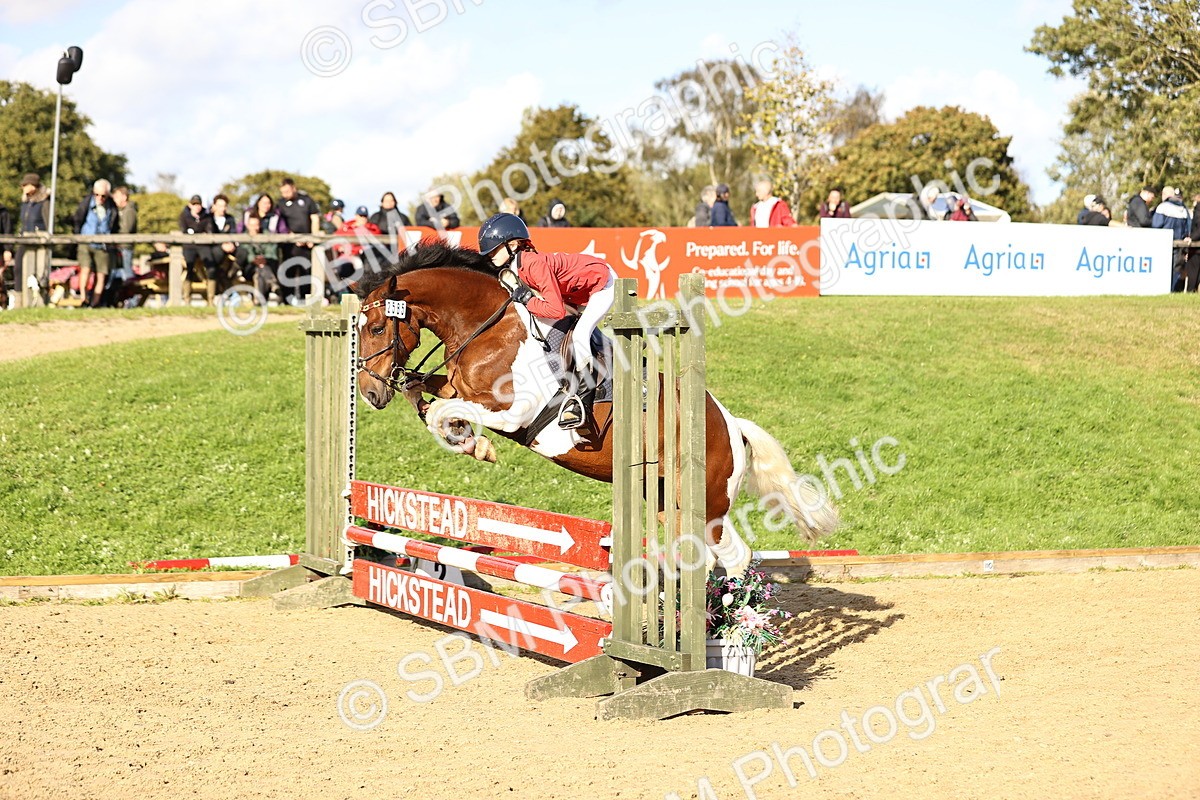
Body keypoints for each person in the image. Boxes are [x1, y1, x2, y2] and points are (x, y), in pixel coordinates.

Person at [477, 212, 616, 429]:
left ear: (512, 245)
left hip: (602, 283)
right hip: (577, 291)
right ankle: (612, 351)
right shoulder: (519, 266)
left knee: (580, 334)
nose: (489, 255)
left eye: (494, 249)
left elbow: (554, 310)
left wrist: (528, 300)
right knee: (577, 330)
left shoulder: (532, 264)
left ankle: (581, 399)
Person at [73, 179, 120, 308]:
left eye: (103, 195)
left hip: (103, 245)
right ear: (93, 193)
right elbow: (77, 219)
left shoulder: (112, 207)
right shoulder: (86, 203)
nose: (100, 198)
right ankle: (83, 298)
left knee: (101, 274)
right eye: (97, 195)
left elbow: (115, 225)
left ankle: (95, 302)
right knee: (85, 269)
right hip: (85, 241)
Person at [277, 177, 322, 304]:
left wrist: (312, 237)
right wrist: (291, 236)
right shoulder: (280, 203)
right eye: (282, 192)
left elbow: (314, 219)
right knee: (288, 271)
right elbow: (280, 223)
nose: (284, 194)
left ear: (294, 188)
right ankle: (287, 301)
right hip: (290, 244)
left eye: (287, 191)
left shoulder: (307, 200)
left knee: (306, 271)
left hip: (307, 244)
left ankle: (305, 299)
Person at [14, 173, 51, 307]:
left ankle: (38, 302)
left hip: (39, 242)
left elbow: (48, 223)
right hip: (24, 240)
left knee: (39, 272)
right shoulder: (26, 203)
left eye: (25, 185)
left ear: (33, 186)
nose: (23, 187)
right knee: (18, 268)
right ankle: (19, 301)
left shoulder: (44, 202)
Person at [331, 206, 384, 291]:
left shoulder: (372, 228)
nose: (362, 218)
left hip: (363, 256)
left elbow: (377, 239)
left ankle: (360, 292)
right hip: (347, 256)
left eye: (364, 216)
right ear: (356, 216)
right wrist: (340, 247)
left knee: (363, 268)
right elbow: (335, 239)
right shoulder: (346, 227)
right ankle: (345, 293)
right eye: (360, 215)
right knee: (343, 268)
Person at [235, 212, 281, 303]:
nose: (254, 228)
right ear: (247, 225)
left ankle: (258, 301)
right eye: (251, 225)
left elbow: (271, 250)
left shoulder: (266, 235)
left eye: (256, 225)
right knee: (260, 269)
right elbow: (245, 251)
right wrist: (254, 259)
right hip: (249, 267)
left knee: (260, 273)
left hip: (264, 265)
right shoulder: (243, 237)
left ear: (259, 225)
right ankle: (273, 284)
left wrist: (264, 259)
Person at [1153, 186, 1191, 291]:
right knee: (1177, 269)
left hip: (1164, 243)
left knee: (1164, 268)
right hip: (1180, 245)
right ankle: (1174, 291)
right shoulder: (1184, 209)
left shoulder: (1162, 207)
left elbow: (1156, 225)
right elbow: (1188, 227)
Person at [179, 195, 215, 299]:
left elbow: (209, 231)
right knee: (189, 267)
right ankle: (186, 297)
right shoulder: (184, 216)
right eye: (194, 204)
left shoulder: (206, 216)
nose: (197, 206)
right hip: (189, 246)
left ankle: (211, 298)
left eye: (198, 204)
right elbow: (184, 231)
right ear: (190, 205)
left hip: (203, 245)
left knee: (211, 268)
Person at [207, 194, 239, 303]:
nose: (222, 208)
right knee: (216, 261)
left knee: (243, 253)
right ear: (214, 206)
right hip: (213, 249)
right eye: (220, 206)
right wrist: (222, 245)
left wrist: (231, 243)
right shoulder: (208, 218)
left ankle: (231, 280)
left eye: (224, 206)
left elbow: (233, 233)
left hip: (229, 249)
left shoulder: (230, 219)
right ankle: (217, 292)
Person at [111, 187, 138, 286]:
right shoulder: (121, 211)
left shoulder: (129, 211)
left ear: (124, 197)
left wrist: (115, 233)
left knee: (127, 273)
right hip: (120, 246)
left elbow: (127, 229)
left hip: (125, 246)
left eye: (117, 197)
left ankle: (133, 298)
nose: (115, 199)